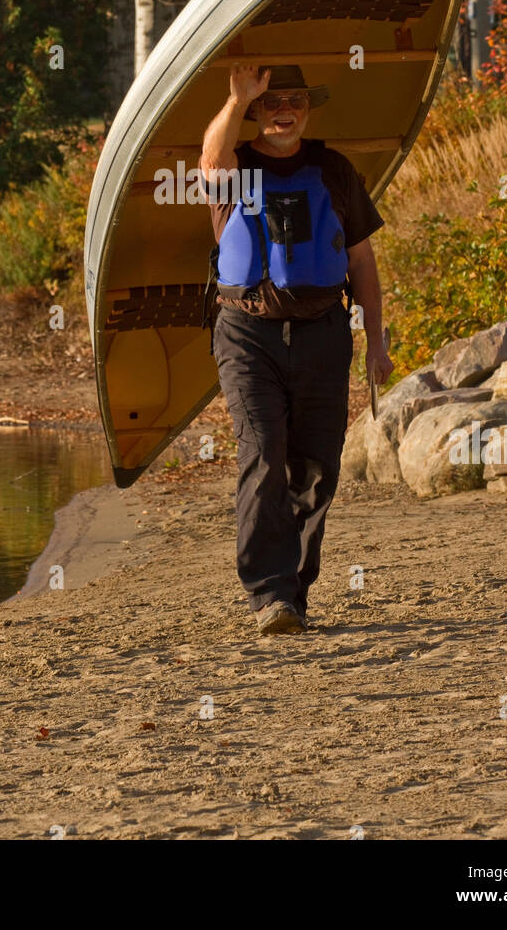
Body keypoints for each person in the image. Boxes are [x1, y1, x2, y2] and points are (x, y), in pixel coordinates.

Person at [199, 63, 394, 636]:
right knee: (263, 452)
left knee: (316, 466)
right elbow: (210, 163)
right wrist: (237, 100)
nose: (285, 109)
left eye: (296, 100)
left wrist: (376, 342)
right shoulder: (238, 169)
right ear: (258, 110)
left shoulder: (334, 169)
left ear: (309, 107)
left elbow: (361, 262)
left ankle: (294, 593)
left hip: (322, 332)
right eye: (273, 100)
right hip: (246, 332)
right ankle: (267, 592)